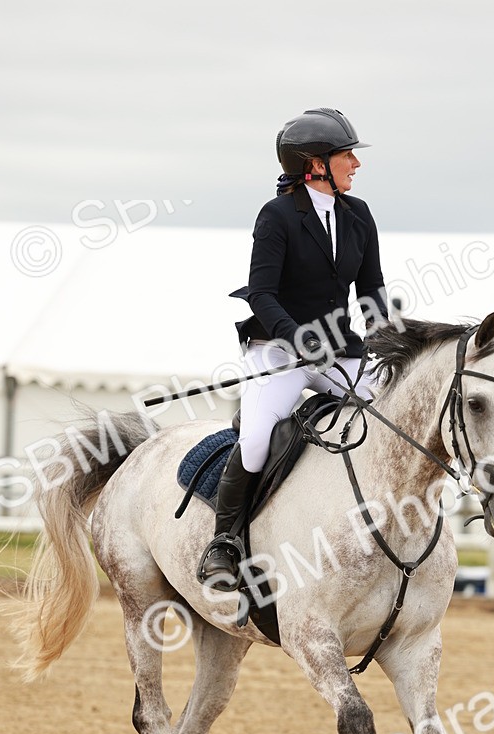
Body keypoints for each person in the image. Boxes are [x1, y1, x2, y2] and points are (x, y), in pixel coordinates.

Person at [197, 106, 390, 590]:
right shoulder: (278, 215)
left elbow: (370, 291)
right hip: (278, 351)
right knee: (258, 434)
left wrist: (390, 344)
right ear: (315, 163)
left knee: (391, 415)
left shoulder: (359, 216)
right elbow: (261, 292)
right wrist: (297, 337)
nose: (356, 164)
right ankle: (226, 541)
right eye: (347, 155)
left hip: (338, 352)